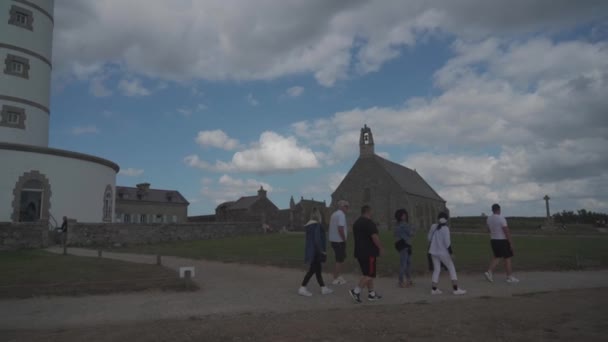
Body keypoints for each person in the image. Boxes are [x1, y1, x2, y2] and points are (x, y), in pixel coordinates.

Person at [349, 205, 384, 303]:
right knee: (370, 274)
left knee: (367, 274)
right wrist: (380, 248)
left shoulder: (357, 223)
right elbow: (374, 237)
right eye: (371, 211)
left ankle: (371, 294)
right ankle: (356, 291)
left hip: (359, 252)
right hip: (369, 252)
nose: (372, 213)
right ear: (368, 211)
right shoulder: (369, 223)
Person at [427, 212, 466, 295]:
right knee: (451, 268)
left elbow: (429, 238)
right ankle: (455, 289)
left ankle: (434, 289)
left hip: (433, 252)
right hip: (443, 253)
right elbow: (447, 243)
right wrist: (451, 253)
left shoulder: (433, 226)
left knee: (436, 270)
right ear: (446, 220)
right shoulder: (446, 229)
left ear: (438, 218)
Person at [298, 208, 333, 296]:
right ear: (318, 216)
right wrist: (322, 251)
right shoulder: (317, 225)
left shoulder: (309, 226)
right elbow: (317, 239)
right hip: (316, 251)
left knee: (317, 270)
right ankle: (302, 287)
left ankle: (323, 287)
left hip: (311, 250)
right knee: (312, 270)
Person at [484, 204, 519, 283]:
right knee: (507, 258)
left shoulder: (489, 219)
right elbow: (506, 231)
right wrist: (511, 242)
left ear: (492, 210)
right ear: (499, 209)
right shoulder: (501, 218)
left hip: (493, 240)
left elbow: (488, 230)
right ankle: (508, 277)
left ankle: (489, 272)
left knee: (497, 257)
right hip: (502, 240)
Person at [329, 200, 349, 285]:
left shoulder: (334, 214)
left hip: (334, 240)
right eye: (347, 207)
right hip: (339, 241)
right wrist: (344, 239)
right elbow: (340, 228)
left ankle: (338, 275)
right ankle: (335, 278)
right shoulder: (341, 215)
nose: (347, 209)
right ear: (342, 206)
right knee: (339, 259)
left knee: (340, 259)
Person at [394, 208, 414, 288]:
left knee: (408, 263)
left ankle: (408, 280)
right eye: (403, 215)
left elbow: (395, 234)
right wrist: (413, 229)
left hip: (403, 245)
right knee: (404, 264)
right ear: (400, 216)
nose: (405, 216)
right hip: (405, 245)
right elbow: (411, 234)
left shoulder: (397, 225)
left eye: (405, 214)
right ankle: (401, 281)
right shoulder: (404, 224)